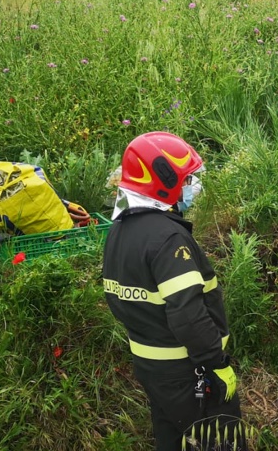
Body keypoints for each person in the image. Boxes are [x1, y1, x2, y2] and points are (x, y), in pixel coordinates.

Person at [102, 131, 245, 451]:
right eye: (187, 179)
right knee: (217, 442)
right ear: (162, 181)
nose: (192, 187)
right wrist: (216, 365)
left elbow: (118, 298)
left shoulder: (119, 231)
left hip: (153, 371)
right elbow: (187, 315)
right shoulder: (167, 239)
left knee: (174, 440)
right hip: (189, 371)